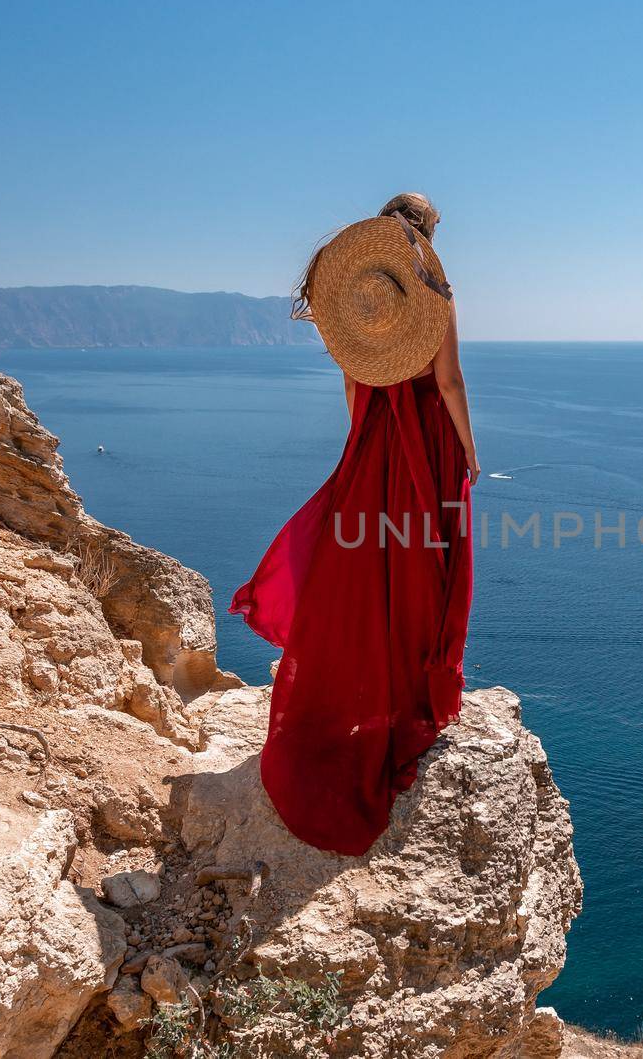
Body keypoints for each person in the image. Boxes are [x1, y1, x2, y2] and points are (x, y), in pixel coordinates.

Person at [230, 193, 477, 855]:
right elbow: (448, 381)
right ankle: (407, 702)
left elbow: (353, 387)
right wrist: (471, 452)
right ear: (425, 236)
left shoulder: (361, 305)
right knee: (428, 570)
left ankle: (363, 700)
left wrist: (363, 440)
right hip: (429, 445)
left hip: (375, 443)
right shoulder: (435, 295)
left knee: (366, 574)